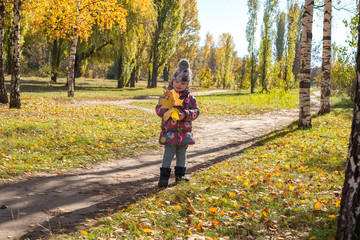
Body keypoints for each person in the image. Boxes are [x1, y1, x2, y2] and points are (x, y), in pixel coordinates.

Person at [155, 59, 200, 188]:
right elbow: (158, 109)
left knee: (182, 154)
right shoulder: (167, 96)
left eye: (182, 82)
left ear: (187, 84)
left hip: (184, 133)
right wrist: (165, 112)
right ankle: (164, 177)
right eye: (177, 81)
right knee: (168, 153)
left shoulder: (190, 99)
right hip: (170, 132)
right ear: (172, 81)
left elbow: (196, 111)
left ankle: (180, 176)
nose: (179, 85)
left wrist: (186, 114)